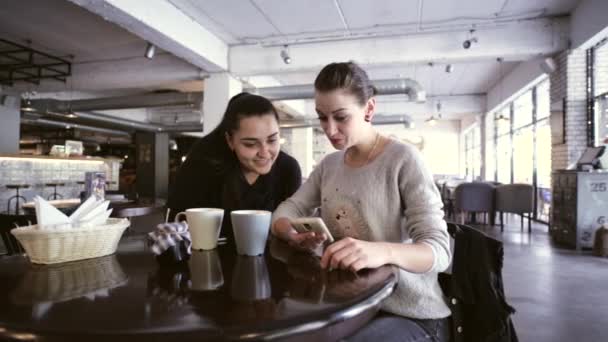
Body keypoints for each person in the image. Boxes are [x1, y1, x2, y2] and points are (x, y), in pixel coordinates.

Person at [271, 62, 451, 341]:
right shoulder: (329, 165)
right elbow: (289, 208)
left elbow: (439, 251)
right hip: (348, 305)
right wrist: (290, 233)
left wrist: (383, 252)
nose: (330, 130)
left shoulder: (403, 159)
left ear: (368, 109)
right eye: (322, 117)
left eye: (341, 117)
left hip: (410, 312)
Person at [168, 92, 302, 243]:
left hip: (273, 261)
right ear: (230, 140)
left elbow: (293, 225)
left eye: (272, 140)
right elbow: (175, 227)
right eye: (250, 144)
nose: (265, 153)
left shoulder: (288, 169)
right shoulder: (203, 166)